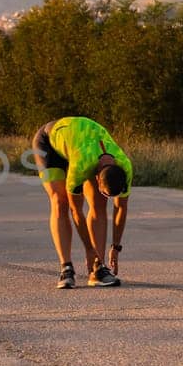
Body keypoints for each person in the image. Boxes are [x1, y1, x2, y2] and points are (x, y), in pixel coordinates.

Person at [31, 117, 132, 289]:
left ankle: (98, 269)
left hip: (81, 142)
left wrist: (116, 247)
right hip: (48, 143)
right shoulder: (81, 166)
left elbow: (120, 208)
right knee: (60, 201)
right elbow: (75, 210)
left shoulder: (126, 166)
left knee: (99, 203)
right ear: (97, 177)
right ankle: (66, 268)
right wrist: (88, 249)